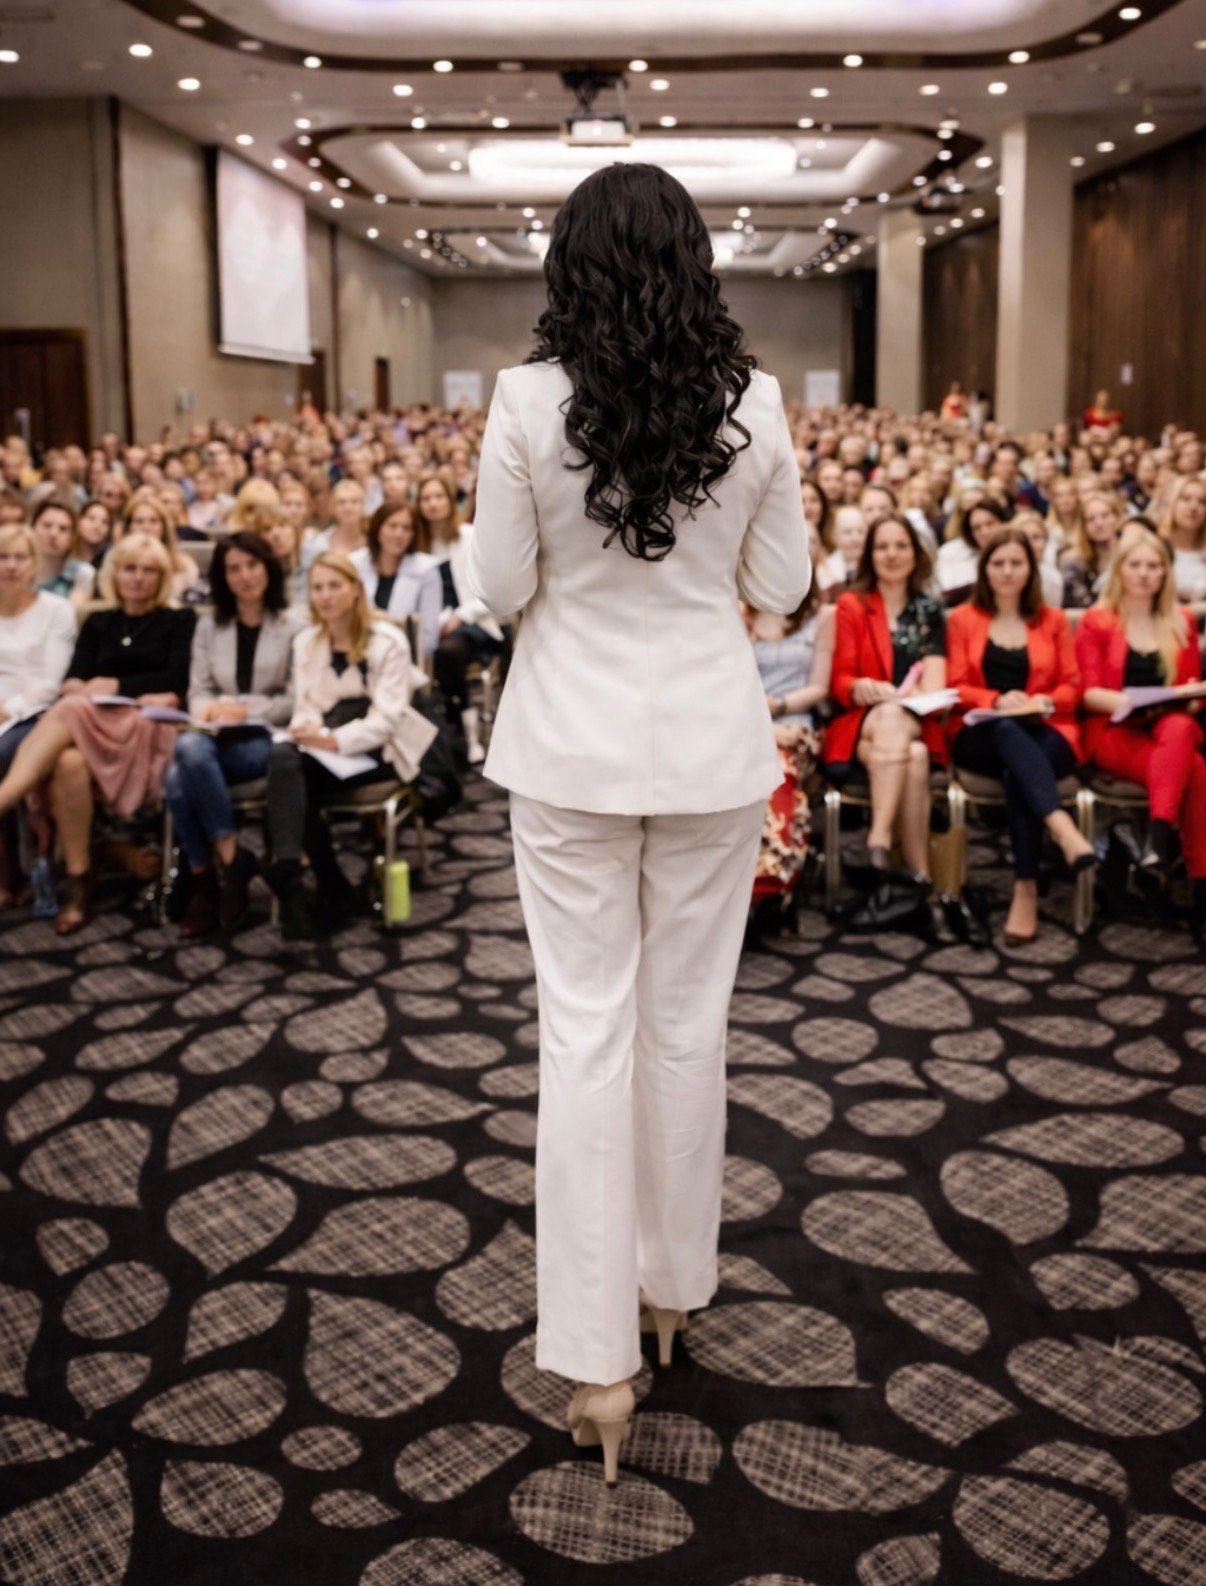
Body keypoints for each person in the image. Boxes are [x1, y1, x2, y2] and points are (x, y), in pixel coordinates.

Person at [465, 162, 809, 1482]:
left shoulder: (520, 400)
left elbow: (498, 585)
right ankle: (671, 1291)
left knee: (586, 1036)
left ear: (568, 263)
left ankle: (596, 1357)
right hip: (712, 752)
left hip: (567, 752)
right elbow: (778, 582)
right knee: (683, 1028)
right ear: (694, 262)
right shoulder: (758, 401)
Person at [0, 535, 194, 934]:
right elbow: (74, 675)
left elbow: (176, 679)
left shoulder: (178, 620)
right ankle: (79, 880)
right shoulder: (98, 620)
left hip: (145, 725)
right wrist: (81, 686)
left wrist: (116, 687)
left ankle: (5, 797)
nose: (138, 578)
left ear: (161, 577)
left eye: (148, 570)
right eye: (129, 568)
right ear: (114, 573)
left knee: (69, 709)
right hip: (91, 722)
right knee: (68, 762)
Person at [263, 551, 435, 940]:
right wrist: (306, 731)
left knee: (290, 783)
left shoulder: (386, 640)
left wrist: (331, 739)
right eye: (317, 588)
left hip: (380, 752)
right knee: (284, 761)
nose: (325, 596)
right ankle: (304, 875)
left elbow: (387, 720)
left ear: (356, 590)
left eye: (334, 586)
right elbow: (305, 707)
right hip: (326, 751)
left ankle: (313, 881)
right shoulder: (306, 641)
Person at [946, 528, 1096, 944]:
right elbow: (957, 684)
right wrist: (997, 700)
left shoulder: (1051, 620)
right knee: (1007, 729)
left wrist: (1041, 700)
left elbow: (1072, 685)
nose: (1008, 572)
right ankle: (1060, 826)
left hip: (1047, 729)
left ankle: (1025, 889)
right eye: (998, 563)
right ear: (984, 569)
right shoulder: (962, 618)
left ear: (1031, 569)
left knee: (1020, 775)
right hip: (980, 733)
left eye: (1017, 563)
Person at [164, 534, 300, 937]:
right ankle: (229, 859)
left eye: (252, 565)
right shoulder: (209, 625)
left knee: (177, 777)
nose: (244, 577)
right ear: (222, 577)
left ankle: (204, 877)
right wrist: (207, 709)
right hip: (215, 737)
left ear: (268, 568)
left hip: (267, 737)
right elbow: (199, 688)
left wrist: (245, 709)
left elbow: (295, 697)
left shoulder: (294, 624)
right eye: (234, 569)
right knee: (190, 746)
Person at [1076, 525, 1205, 934]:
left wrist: (1188, 696)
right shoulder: (1098, 621)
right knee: (1196, 771)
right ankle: (1188, 875)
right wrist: (1131, 702)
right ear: (1120, 570)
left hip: (1166, 728)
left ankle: (1159, 842)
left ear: (1166, 573)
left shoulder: (1180, 620)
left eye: (1154, 566)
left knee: (1183, 726)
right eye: (1136, 565)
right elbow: (1088, 692)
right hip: (1113, 729)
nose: (1145, 574)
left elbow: (1189, 695)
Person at [823, 514, 947, 878]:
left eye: (901, 545)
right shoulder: (852, 605)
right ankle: (917, 876)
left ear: (916, 553)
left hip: (915, 725)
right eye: (882, 546)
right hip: (860, 724)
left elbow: (937, 686)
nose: (892, 555)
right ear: (870, 555)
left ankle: (887, 847)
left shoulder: (929, 611)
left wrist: (915, 693)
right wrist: (859, 687)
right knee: (896, 726)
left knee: (917, 752)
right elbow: (841, 680)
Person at [0, 526, 78, 911]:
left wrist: (8, 709)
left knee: (4, 752)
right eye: (3, 557)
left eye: (19, 557)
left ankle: (11, 867)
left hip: (35, 714)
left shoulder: (56, 610)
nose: (10, 566)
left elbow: (52, 682)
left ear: (34, 564)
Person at [417, 476, 505, 764]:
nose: (432, 503)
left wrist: (460, 615)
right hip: (430, 625)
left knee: (449, 652)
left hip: (472, 623)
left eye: (438, 496)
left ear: (449, 501)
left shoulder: (470, 536)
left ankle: (467, 729)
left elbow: (491, 588)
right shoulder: (418, 546)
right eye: (426, 498)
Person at [351, 501, 442, 658]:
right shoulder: (355, 564)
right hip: (359, 651)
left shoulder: (426, 570)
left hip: (403, 657)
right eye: (392, 526)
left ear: (413, 534)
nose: (399, 534)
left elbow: (429, 636)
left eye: (406, 528)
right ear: (377, 529)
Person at [115, 489, 201, 599]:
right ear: (128, 528)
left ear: (163, 527)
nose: (146, 528)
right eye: (139, 521)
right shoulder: (114, 562)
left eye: (153, 521)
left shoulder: (184, 565)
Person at [1060, 490, 1125, 609]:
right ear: (1083, 526)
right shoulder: (1072, 564)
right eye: (1091, 519)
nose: (1099, 523)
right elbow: (1077, 606)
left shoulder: (1129, 556)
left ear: (1117, 518)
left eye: (1105, 516)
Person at [937, 497, 1007, 603]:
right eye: (977, 528)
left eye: (990, 524)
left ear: (1003, 523)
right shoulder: (950, 553)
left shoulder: (1018, 552)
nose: (984, 532)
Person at [32, 498, 95, 614]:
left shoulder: (82, 573)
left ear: (72, 538)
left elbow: (70, 619)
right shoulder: (16, 569)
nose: (53, 534)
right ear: (32, 529)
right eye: (47, 525)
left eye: (63, 529)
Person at [1158, 475, 1206, 609]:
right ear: (1172, 502)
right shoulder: (1157, 548)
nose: (1193, 507)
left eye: (1202, 502)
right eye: (1186, 499)